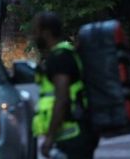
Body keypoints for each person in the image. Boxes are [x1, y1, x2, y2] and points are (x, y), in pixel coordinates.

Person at [31, 12, 99, 159]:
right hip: (74, 133)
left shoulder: (60, 57)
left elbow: (62, 99)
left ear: (46, 32)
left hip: (75, 134)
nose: (34, 36)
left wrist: (49, 138)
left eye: (36, 31)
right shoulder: (62, 54)